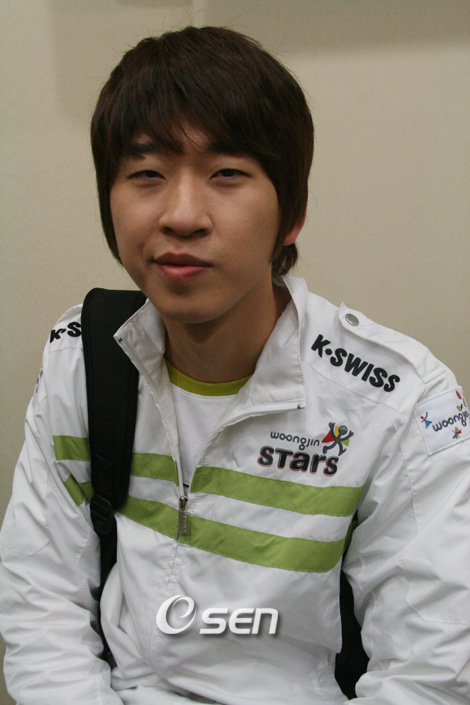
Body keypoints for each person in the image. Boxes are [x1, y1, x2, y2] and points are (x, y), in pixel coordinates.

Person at [0, 25, 469, 705]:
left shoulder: (399, 398)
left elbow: (433, 669)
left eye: (226, 174)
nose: (182, 215)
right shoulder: (83, 356)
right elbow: (40, 603)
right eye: (147, 175)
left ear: (292, 213)